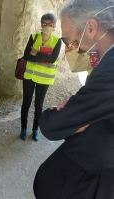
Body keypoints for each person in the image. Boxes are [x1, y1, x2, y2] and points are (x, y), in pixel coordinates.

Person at [33, 1, 114, 198]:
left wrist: (74, 112)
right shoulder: (105, 61)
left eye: (68, 39)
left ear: (92, 27)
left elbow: (52, 126)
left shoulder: (111, 67)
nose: (69, 47)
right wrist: (81, 108)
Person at [20, 13, 62, 141]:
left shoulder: (57, 41)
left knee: (38, 105)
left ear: (54, 26)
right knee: (26, 103)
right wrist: (45, 57)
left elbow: (53, 58)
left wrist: (36, 53)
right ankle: (23, 129)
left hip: (45, 78)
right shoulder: (33, 37)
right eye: (45, 23)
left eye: (50, 24)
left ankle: (35, 130)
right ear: (41, 25)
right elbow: (26, 55)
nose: (47, 26)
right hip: (29, 76)